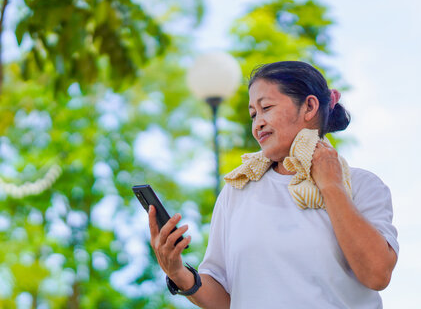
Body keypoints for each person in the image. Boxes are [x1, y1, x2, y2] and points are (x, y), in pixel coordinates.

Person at [148, 61, 399, 308]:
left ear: (309, 106)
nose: (257, 123)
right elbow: (227, 300)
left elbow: (377, 275)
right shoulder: (236, 192)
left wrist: (331, 186)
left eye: (266, 107)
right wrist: (178, 272)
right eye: (253, 114)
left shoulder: (362, 185)